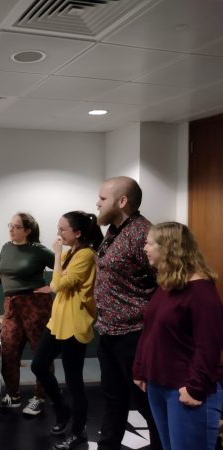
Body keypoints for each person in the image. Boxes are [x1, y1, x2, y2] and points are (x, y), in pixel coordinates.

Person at [133, 222, 223, 450]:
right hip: (158, 383)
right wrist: (141, 368)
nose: (145, 248)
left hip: (186, 388)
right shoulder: (167, 284)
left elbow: (209, 345)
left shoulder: (201, 290)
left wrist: (195, 387)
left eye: (149, 243)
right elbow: (150, 329)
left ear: (168, 248)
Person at [94, 176, 162, 450]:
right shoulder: (114, 230)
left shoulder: (143, 234)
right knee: (113, 398)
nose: (97, 203)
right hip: (110, 331)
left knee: (146, 403)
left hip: (135, 335)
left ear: (122, 201)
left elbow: (163, 281)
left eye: (102, 198)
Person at [31, 211, 103, 450]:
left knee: (74, 382)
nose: (58, 234)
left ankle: (78, 431)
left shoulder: (85, 255)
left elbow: (58, 284)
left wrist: (57, 253)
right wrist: (62, 256)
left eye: (63, 229)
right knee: (38, 365)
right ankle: (63, 410)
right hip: (57, 322)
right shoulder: (74, 252)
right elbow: (56, 285)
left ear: (78, 233)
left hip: (74, 325)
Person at [0, 212, 54, 415]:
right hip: (11, 304)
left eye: (16, 226)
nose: (11, 229)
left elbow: (65, 268)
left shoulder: (39, 251)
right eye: (9, 225)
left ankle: (39, 397)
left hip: (35, 304)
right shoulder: (6, 247)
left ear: (27, 230)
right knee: (8, 349)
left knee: (40, 352)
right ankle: (14, 394)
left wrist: (53, 287)